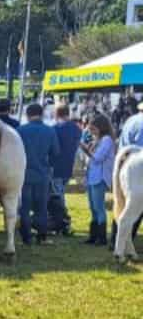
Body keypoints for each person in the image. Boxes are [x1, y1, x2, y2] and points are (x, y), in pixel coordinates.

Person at [16, 103, 59, 246]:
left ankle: (26, 238)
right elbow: (55, 153)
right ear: (41, 114)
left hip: (24, 174)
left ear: (28, 115)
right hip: (43, 174)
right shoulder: (50, 131)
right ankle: (42, 236)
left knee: (25, 208)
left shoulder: (20, 130)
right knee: (41, 207)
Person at [80, 114, 116, 246]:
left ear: (101, 127)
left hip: (99, 177)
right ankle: (93, 236)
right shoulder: (98, 139)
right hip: (91, 177)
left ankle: (101, 238)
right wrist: (87, 150)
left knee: (99, 207)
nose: (92, 132)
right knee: (92, 207)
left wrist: (86, 150)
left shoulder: (107, 140)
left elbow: (98, 158)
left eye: (94, 129)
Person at [49, 104, 80, 236]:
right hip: (68, 166)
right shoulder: (76, 129)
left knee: (58, 198)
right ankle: (60, 222)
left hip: (55, 167)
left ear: (56, 114)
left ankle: (62, 223)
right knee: (60, 194)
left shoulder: (54, 129)